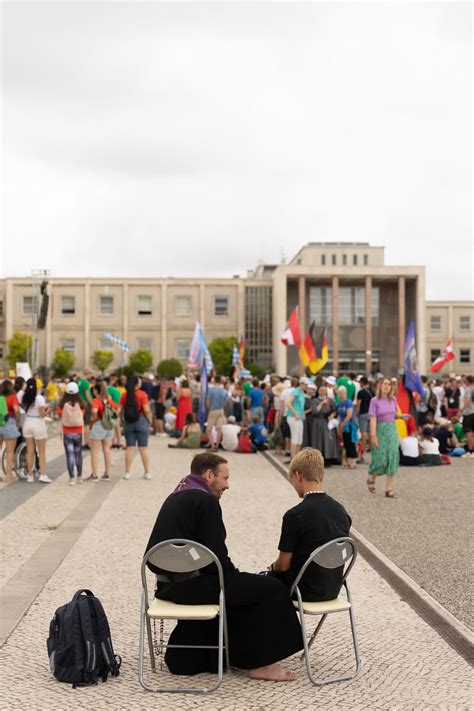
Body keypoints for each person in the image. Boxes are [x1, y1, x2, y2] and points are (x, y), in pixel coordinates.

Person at [145, 452, 303, 680]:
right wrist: (237, 577)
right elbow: (217, 558)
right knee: (272, 588)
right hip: (195, 586)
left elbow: (153, 556)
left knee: (243, 587)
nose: (227, 486)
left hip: (167, 587)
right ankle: (260, 663)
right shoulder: (206, 501)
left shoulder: (176, 496)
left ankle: (227, 654)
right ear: (209, 475)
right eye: (225, 478)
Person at [268, 448, 351, 600]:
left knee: (260, 586)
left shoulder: (295, 515)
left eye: (291, 479)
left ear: (298, 475)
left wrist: (272, 567)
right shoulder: (341, 511)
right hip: (333, 589)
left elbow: (283, 566)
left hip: (301, 590)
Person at [367, 378, 408, 498]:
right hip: (379, 430)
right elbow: (373, 419)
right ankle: (372, 478)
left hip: (392, 431)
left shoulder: (393, 399)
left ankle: (388, 489)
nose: (387, 386)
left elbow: (393, 415)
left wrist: (401, 417)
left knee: (392, 457)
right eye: (384, 384)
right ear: (380, 386)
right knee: (380, 459)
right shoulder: (374, 401)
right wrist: (373, 436)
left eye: (389, 384)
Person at [120, 375, 153, 480]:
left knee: (130, 448)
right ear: (137, 384)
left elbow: (120, 410)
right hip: (141, 420)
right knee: (143, 448)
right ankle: (147, 472)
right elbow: (146, 410)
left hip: (128, 422)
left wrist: (122, 422)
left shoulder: (124, 395)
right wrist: (150, 421)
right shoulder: (142, 394)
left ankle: (127, 472)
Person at [86, 381, 119, 482]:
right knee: (107, 449)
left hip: (99, 425)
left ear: (96, 390)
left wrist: (93, 419)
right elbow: (117, 409)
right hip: (109, 426)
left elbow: (94, 412)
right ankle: (107, 474)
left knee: (95, 450)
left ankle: (94, 475)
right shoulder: (109, 400)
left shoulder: (96, 400)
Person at [21, 378, 52, 483]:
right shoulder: (39, 398)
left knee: (29, 450)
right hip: (38, 423)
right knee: (41, 451)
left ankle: (30, 475)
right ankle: (42, 474)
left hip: (27, 422)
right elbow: (42, 414)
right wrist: (48, 411)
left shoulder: (24, 397)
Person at [58, 382, 85, 485]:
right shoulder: (81, 404)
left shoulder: (62, 404)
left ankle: (71, 477)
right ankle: (80, 476)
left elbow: (59, 413)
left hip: (67, 432)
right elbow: (83, 413)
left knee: (69, 455)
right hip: (78, 431)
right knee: (78, 454)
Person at [307, 384, 339, 466]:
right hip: (317, 422)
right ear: (318, 391)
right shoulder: (314, 400)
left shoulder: (330, 400)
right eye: (321, 390)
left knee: (327, 441)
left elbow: (335, 410)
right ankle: (317, 459)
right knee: (318, 440)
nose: (322, 392)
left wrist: (332, 415)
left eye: (324, 390)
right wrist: (321, 404)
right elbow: (314, 411)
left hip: (327, 422)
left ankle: (328, 458)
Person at [0, 379, 21, 482]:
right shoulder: (13, 397)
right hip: (9, 423)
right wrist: (18, 421)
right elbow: (16, 410)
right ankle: (9, 476)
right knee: (9, 451)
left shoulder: (0, 397)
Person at [336, 386, 358, 470]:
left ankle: (353, 462)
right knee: (346, 443)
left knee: (351, 443)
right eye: (339, 393)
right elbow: (337, 414)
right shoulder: (339, 403)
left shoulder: (348, 402)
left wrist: (342, 423)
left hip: (350, 425)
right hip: (344, 426)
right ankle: (349, 461)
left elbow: (349, 415)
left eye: (341, 393)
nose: (340, 395)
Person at [286, 377, 308, 462]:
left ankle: (297, 459)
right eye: (305, 385)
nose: (306, 386)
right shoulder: (296, 391)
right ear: (301, 384)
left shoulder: (302, 393)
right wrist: (296, 414)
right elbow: (288, 403)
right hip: (293, 418)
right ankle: (293, 459)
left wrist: (302, 414)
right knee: (295, 438)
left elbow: (300, 406)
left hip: (299, 418)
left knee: (299, 440)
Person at [206, 376, 227, 450]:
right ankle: (217, 446)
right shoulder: (223, 390)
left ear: (214, 380)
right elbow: (225, 401)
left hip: (213, 410)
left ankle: (212, 446)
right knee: (219, 429)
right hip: (221, 410)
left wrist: (208, 408)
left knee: (209, 429)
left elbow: (208, 401)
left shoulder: (211, 390)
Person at [356, 377, 373, 459]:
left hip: (363, 413)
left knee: (363, 433)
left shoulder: (360, 392)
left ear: (362, 383)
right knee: (370, 433)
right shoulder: (373, 391)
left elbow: (359, 404)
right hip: (372, 414)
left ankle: (361, 454)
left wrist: (356, 413)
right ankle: (373, 453)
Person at [77, 369, 93, 449]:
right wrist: (92, 404)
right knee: (87, 425)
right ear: (88, 374)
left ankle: (79, 442)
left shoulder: (78, 382)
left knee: (80, 424)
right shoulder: (86, 382)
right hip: (86, 405)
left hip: (79, 404)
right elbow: (87, 395)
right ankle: (86, 442)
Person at [460, 375, 474, 456]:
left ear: (468, 381)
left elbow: (467, 400)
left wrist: (461, 409)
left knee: (468, 432)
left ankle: (470, 450)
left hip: (469, 413)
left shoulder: (468, 389)